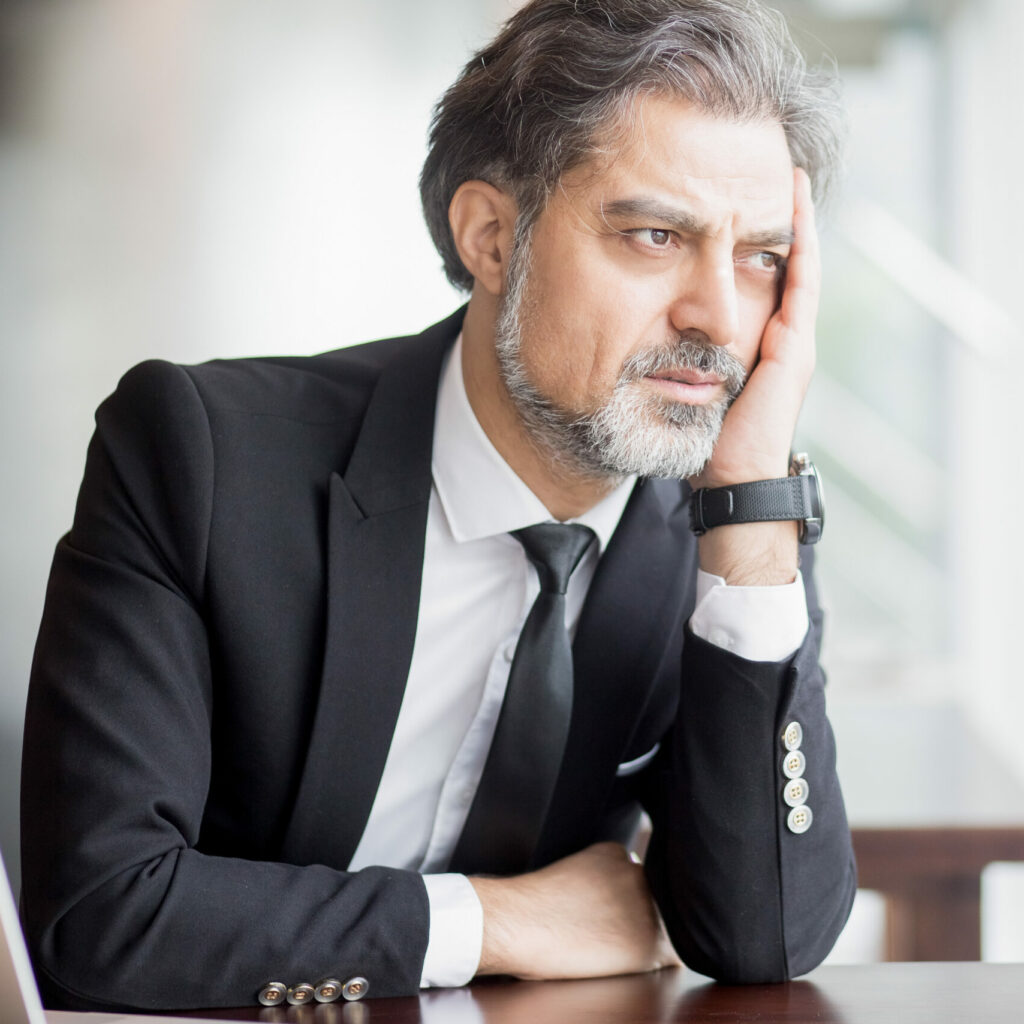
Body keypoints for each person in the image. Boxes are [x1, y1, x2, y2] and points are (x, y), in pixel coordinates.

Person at [21, 0, 856, 1012]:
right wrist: (494, 919)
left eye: (761, 258)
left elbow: (762, 936)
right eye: (652, 235)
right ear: (491, 235)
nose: (719, 316)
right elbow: (101, 914)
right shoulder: (200, 455)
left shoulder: (727, 523)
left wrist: (756, 516)